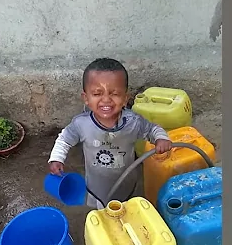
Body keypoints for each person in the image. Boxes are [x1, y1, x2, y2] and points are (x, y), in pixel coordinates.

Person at [47, 58, 173, 209]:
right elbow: (64, 140)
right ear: (86, 98)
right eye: (97, 93)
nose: (106, 100)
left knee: (128, 210)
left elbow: (153, 129)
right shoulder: (81, 124)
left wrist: (161, 138)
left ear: (125, 98)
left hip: (127, 183)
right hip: (96, 187)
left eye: (114, 93)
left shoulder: (133, 122)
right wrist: (56, 158)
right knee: (102, 216)